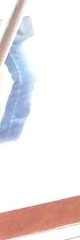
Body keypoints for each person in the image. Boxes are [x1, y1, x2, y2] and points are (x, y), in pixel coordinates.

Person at [0, 14, 34, 144]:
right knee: (26, 78)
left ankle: (8, 136)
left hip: (9, 23)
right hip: (6, 25)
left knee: (26, 78)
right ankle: (8, 136)